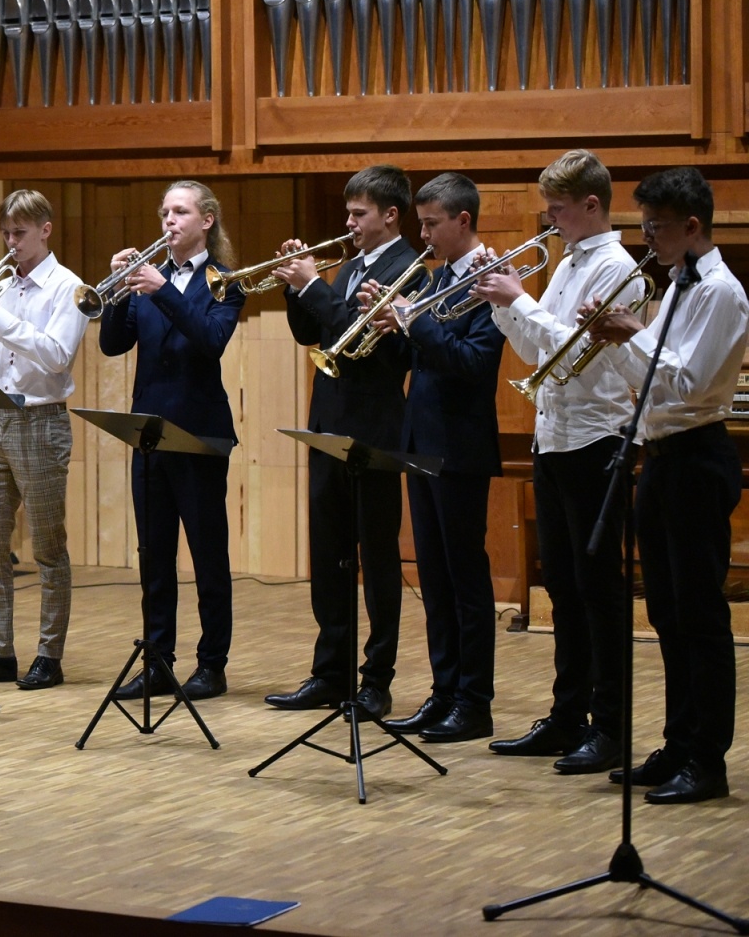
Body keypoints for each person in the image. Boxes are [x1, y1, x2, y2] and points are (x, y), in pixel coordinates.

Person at [471, 150, 642, 774]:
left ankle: (612, 726)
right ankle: (569, 716)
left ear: (592, 205)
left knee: (600, 593)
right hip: (555, 439)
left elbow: (575, 350)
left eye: (559, 209)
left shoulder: (620, 269)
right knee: (564, 591)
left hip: (595, 442)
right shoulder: (570, 261)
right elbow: (534, 349)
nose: (549, 220)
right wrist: (500, 300)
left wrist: (523, 299)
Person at [584, 167, 747, 804]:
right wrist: (615, 337)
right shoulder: (676, 283)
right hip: (660, 454)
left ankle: (708, 759)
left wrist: (631, 334)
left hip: (698, 457)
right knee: (666, 612)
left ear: (693, 225)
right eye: (644, 224)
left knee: (700, 615)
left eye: (655, 227)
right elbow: (648, 375)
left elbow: (691, 383)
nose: (647, 239)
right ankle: (679, 742)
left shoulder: (720, 293)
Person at [265, 165, 424, 719]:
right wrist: (295, 288)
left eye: (359, 215)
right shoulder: (352, 265)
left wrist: (312, 284)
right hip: (328, 423)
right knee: (329, 555)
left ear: (390, 215)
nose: (349, 224)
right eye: (348, 213)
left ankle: (376, 678)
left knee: (377, 560)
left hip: (376, 429)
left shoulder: (413, 268)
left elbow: (380, 349)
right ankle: (329, 672)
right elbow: (314, 334)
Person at [365, 173, 506, 742]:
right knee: (434, 578)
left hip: (460, 447)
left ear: (463, 221)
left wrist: (416, 321)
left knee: (464, 578)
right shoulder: (438, 275)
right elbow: (424, 356)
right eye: (420, 224)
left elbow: (474, 363)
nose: (422, 235)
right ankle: (444, 691)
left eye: (430, 225)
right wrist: (394, 326)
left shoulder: (491, 281)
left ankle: (474, 701)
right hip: (420, 439)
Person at [97, 181, 245, 701]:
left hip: (201, 434)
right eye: (164, 212)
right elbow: (112, 344)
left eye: (179, 212)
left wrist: (164, 290)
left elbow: (209, 342)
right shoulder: (145, 282)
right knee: (154, 554)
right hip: (151, 434)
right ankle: (158, 660)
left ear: (206, 220)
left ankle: (212, 664)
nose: (168, 221)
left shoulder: (225, 281)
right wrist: (117, 291)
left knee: (208, 555)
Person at [0, 190, 88, 690]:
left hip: (43, 421)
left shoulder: (68, 286)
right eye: (5, 233)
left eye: (20, 234)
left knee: (49, 548)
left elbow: (54, 355)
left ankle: (50, 655)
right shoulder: (2, 284)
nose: (10, 243)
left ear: (45, 229)